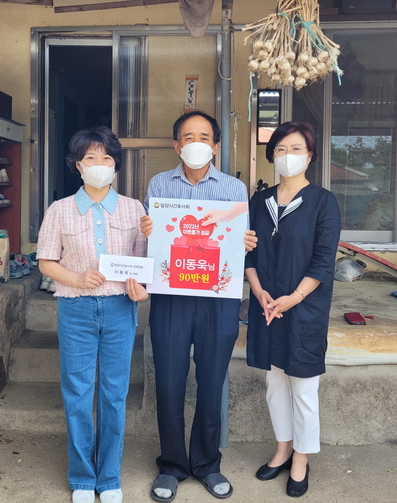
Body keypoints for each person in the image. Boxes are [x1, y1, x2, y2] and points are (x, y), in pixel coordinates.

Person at [140, 111, 257, 502]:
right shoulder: (159, 184)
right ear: (176, 145)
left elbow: (235, 243)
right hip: (170, 298)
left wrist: (244, 243)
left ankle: (207, 463)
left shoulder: (234, 190)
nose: (196, 143)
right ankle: (172, 465)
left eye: (204, 136)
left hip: (219, 300)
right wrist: (146, 234)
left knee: (211, 383)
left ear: (215, 145)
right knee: (169, 382)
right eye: (188, 137)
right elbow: (153, 245)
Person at [37, 127, 149, 503]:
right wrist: (78, 278)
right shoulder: (60, 210)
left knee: (114, 394)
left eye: (106, 158)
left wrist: (141, 285)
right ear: (77, 165)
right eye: (90, 158)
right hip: (75, 308)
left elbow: (143, 263)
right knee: (78, 394)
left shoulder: (134, 209)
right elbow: (46, 263)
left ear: (115, 164)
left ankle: (109, 476)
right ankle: (84, 478)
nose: (99, 164)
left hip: (120, 307)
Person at [244, 122, 340, 498]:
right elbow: (248, 250)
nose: (288, 156)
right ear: (272, 155)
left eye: (296, 149)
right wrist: (259, 292)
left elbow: (322, 261)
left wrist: (293, 298)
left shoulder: (322, 201)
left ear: (310, 155)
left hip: (303, 308)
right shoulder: (259, 200)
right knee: (274, 382)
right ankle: (282, 448)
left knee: (302, 387)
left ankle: (301, 457)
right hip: (266, 303)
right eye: (281, 149)